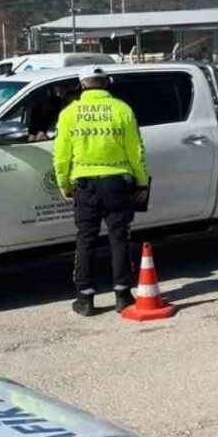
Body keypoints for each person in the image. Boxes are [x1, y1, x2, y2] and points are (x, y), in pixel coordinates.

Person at [53, 70, 150, 317]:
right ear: (107, 83)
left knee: (86, 239)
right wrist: (142, 183)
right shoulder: (122, 109)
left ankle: (85, 299)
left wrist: (64, 185)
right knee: (119, 238)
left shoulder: (69, 114)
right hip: (118, 183)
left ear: (82, 85)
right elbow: (136, 151)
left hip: (84, 184)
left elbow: (61, 156)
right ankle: (122, 296)